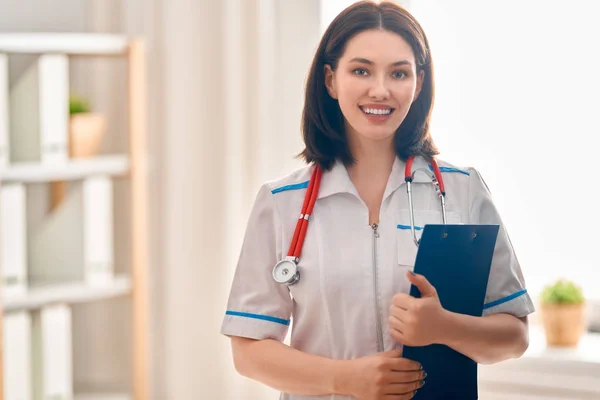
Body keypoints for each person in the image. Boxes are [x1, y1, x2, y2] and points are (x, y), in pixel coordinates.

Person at [220, 1, 535, 399]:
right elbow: (248, 350)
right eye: (361, 70)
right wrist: (344, 379)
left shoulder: (462, 190)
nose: (380, 90)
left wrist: (443, 327)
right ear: (331, 81)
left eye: (399, 73)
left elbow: (514, 335)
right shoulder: (282, 202)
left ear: (418, 83)